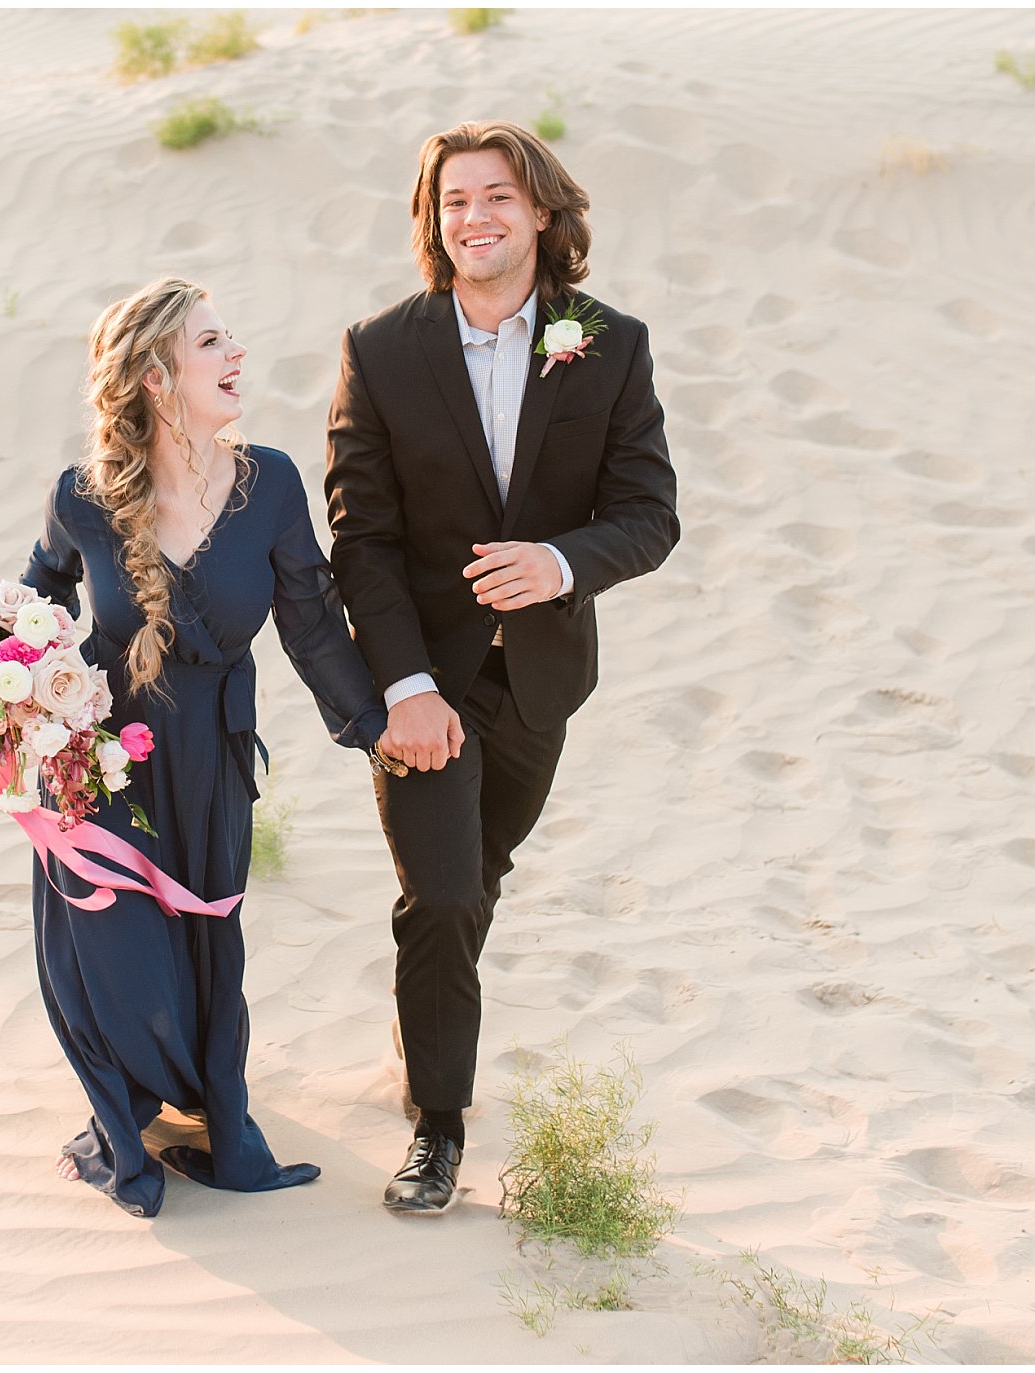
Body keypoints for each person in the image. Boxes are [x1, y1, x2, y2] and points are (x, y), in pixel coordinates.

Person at [324, 121, 680, 1213]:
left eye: (494, 197)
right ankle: (438, 1124)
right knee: (437, 891)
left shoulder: (606, 343)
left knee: (473, 884)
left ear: (539, 213)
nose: (471, 217)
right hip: (418, 678)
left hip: (536, 679)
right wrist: (403, 685)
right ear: (431, 223)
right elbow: (359, 537)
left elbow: (647, 515)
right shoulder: (380, 348)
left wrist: (561, 561)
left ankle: (420, 1022)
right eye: (451, 202)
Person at [23, 276, 389, 1218]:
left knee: (201, 940)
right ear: (155, 375)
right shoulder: (82, 496)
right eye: (213, 341)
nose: (237, 355)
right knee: (118, 950)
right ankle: (126, 1113)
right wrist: (19, 692)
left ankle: (204, 1115)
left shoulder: (267, 485)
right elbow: (33, 607)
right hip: (104, 766)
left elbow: (312, 626)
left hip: (211, 759)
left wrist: (377, 726)